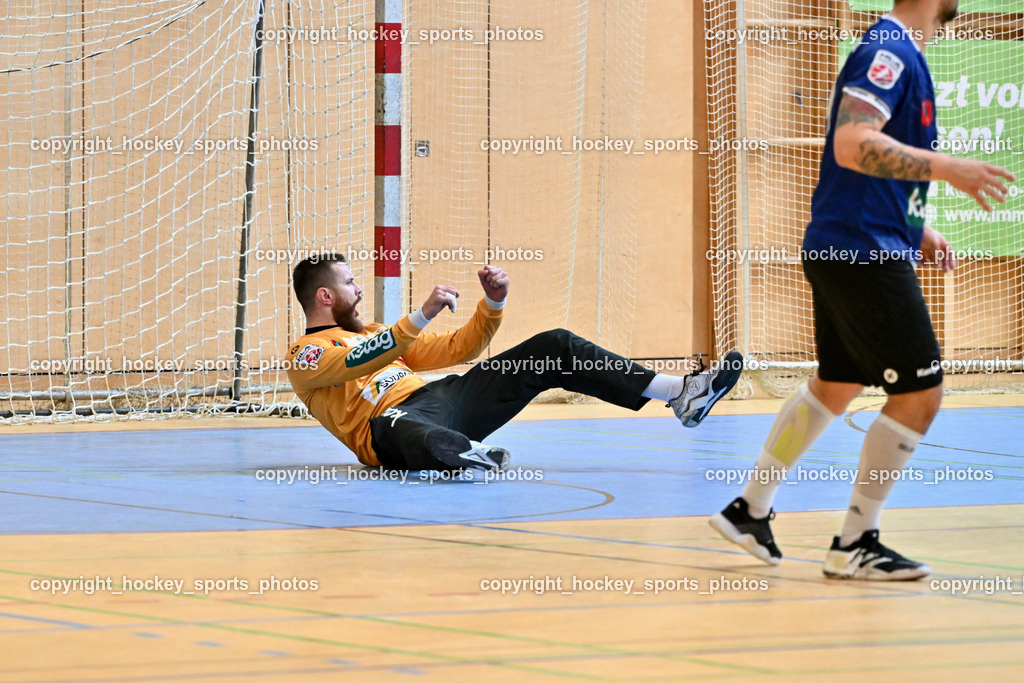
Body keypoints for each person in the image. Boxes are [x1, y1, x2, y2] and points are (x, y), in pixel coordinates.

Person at [709, 0, 1015, 580]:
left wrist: (914, 225)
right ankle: (856, 541)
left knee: (838, 383)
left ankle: (749, 508)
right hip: (862, 252)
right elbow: (854, 144)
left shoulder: (905, 54)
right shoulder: (887, 52)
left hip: (853, 243)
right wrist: (950, 168)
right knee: (920, 395)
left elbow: (864, 169)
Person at [285, 254, 743, 472]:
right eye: (350, 283)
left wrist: (492, 303)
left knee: (555, 345)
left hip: (442, 398)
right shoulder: (305, 356)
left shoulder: (373, 333)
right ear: (325, 297)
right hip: (384, 427)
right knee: (404, 427)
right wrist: (420, 314)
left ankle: (681, 394)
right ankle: (462, 452)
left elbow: (456, 351)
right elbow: (361, 359)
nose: (360, 290)